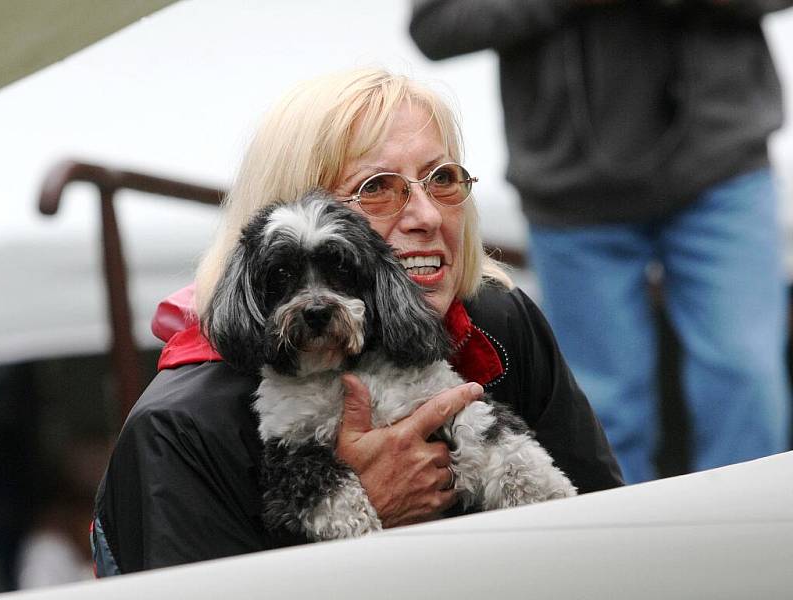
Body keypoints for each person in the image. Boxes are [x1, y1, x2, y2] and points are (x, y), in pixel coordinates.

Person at [92, 68, 623, 575]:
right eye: (377, 188)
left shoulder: (499, 323)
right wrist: (361, 516)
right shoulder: (181, 427)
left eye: (442, 179)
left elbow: (606, 535)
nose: (427, 216)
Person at [409, 0, 793, 484]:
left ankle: (754, 546)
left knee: (746, 379)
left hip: (723, 170)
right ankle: (623, 554)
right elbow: (436, 27)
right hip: (570, 198)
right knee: (601, 409)